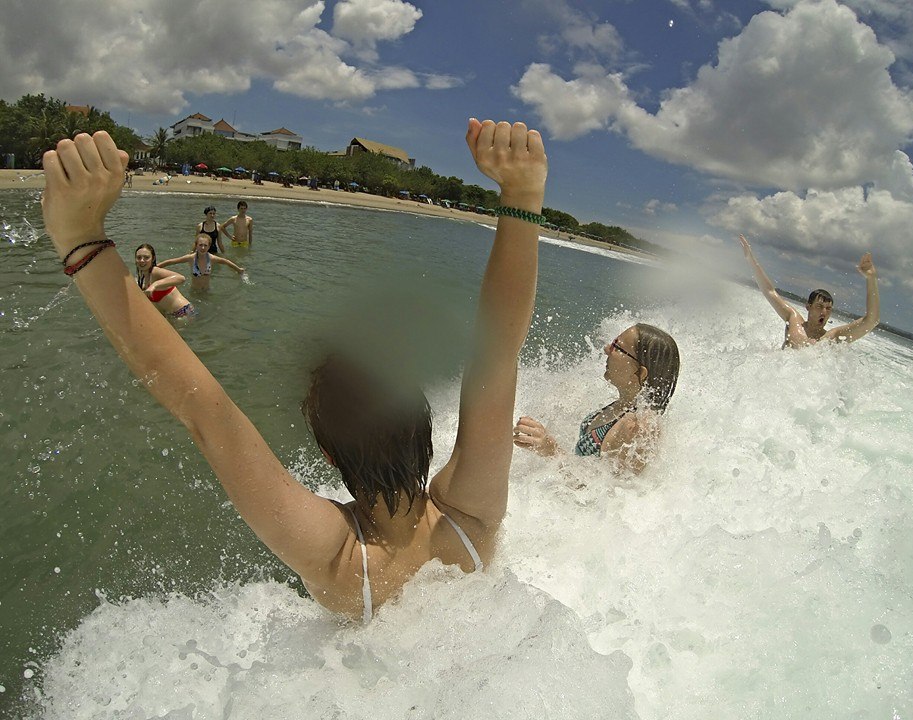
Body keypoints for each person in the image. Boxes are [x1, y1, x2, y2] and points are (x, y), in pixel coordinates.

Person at [41, 120, 547, 622]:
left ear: (328, 454)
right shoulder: (470, 516)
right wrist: (523, 194)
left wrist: (81, 236)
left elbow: (206, 408)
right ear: (426, 425)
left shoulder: (337, 556)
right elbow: (498, 347)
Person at [513, 324, 680, 474]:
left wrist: (550, 449)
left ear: (640, 373)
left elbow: (610, 491)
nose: (607, 349)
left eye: (617, 347)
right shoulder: (621, 408)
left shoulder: (639, 427)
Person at [738, 234, 880, 348]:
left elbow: (871, 320)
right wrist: (750, 259)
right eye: (819, 306)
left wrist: (871, 278)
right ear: (808, 306)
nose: (824, 312)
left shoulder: (832, 338)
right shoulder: (793, 319)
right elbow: (769, 291)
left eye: (828, 308)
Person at [157, 233, 244, 290]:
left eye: (205, 245)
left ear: (209, 246)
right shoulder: (191, 258)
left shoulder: (212, 258)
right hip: (194, 291)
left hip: (207, 291)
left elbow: (226, 262)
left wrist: (239, 270)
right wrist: (156, 267)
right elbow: (171, 261)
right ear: (196, 245)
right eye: (200, 245)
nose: (203, 248)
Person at [134, 243, 196, 318]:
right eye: (139, 257)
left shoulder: (155, 271)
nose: (142, 260)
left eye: (146, 257)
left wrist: (155, 285)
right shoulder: (142, 276)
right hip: (170, 315)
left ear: (153, 259)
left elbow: (181, 278)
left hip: (183, 312)